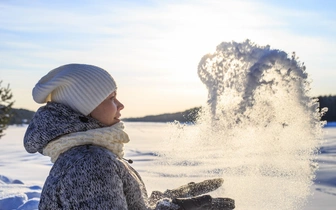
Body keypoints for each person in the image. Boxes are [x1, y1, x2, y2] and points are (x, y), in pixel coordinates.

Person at [24, 64, 235, 210]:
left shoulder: (88, 153)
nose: (121, 105)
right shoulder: (89, 162)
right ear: (84, 108)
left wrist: (169, 198)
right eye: (111, 98)